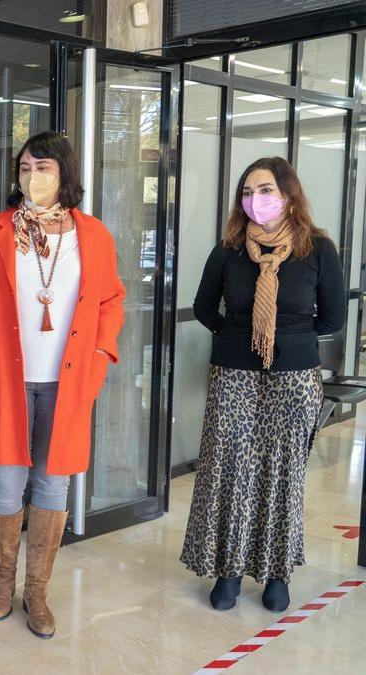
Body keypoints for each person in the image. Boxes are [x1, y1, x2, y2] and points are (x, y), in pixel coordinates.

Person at [0, 131, 125, 639]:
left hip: (67, 383)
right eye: (25, 168)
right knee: (6, 486)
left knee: (53, 484)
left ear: (64, 174)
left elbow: (111, 301)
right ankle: (3, 582)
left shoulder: (93, 235)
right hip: (6, 381)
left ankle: (38, 592)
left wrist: (99, 354)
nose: (33, 178)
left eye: (44, 168)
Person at [181, 157, 345, 613]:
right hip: (233, 375)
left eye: (266, 190)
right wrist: (239, 338)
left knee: (281, 475)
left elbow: (333, 317)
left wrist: (285, 339)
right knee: (230, 472)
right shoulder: (229, 250)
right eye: (248, 193)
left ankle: (277, 573)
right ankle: (228, 572)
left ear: (289, 195)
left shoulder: (318, 250)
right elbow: (203, 307)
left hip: (294, 379)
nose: (256, 200)